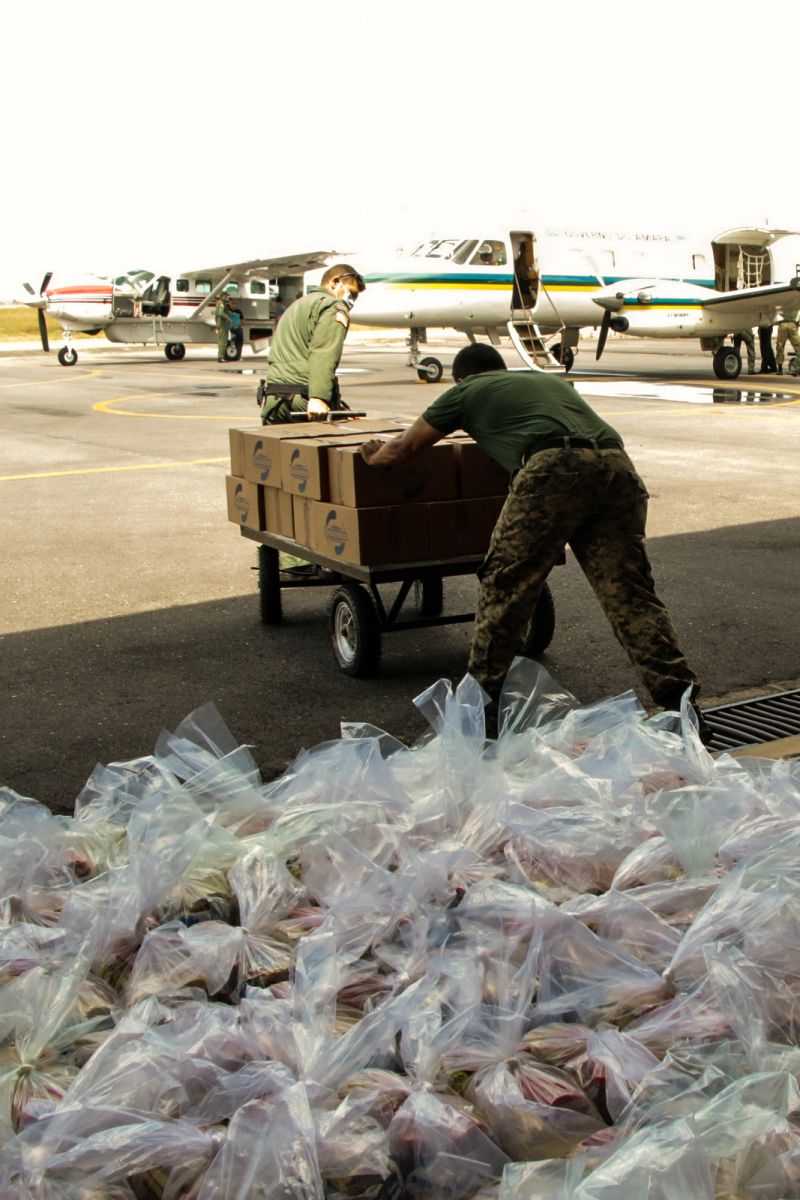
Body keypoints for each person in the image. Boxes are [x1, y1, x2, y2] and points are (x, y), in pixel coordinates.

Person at [359, 343, 710, 742]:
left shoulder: (465, 390)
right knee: (629, 596)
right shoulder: (541, 380)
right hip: (617, 468)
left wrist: (373, 456)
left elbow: (402, 450)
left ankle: (479, 715)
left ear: (463, 377)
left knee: (506, 587)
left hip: (552, 470)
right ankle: (681, 707)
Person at [259, 264, 366, 424]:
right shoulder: (333, 307)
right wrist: (319, 397)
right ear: (335, 282)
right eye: (352, 293)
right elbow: (324, 352)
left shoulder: (295, 306)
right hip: (303, 400)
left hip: (274, 401)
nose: (352, 299)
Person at [215, 294, 232, 362]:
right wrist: (228, 318)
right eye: (226, 296)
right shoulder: (221, 303)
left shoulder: (220, 303)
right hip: (222, 324)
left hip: (222, 324)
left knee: (222, 341)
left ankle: (221, 356)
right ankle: (220, 357)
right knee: (223, 341)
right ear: (222, 296)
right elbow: (220, 313)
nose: (227, 298)